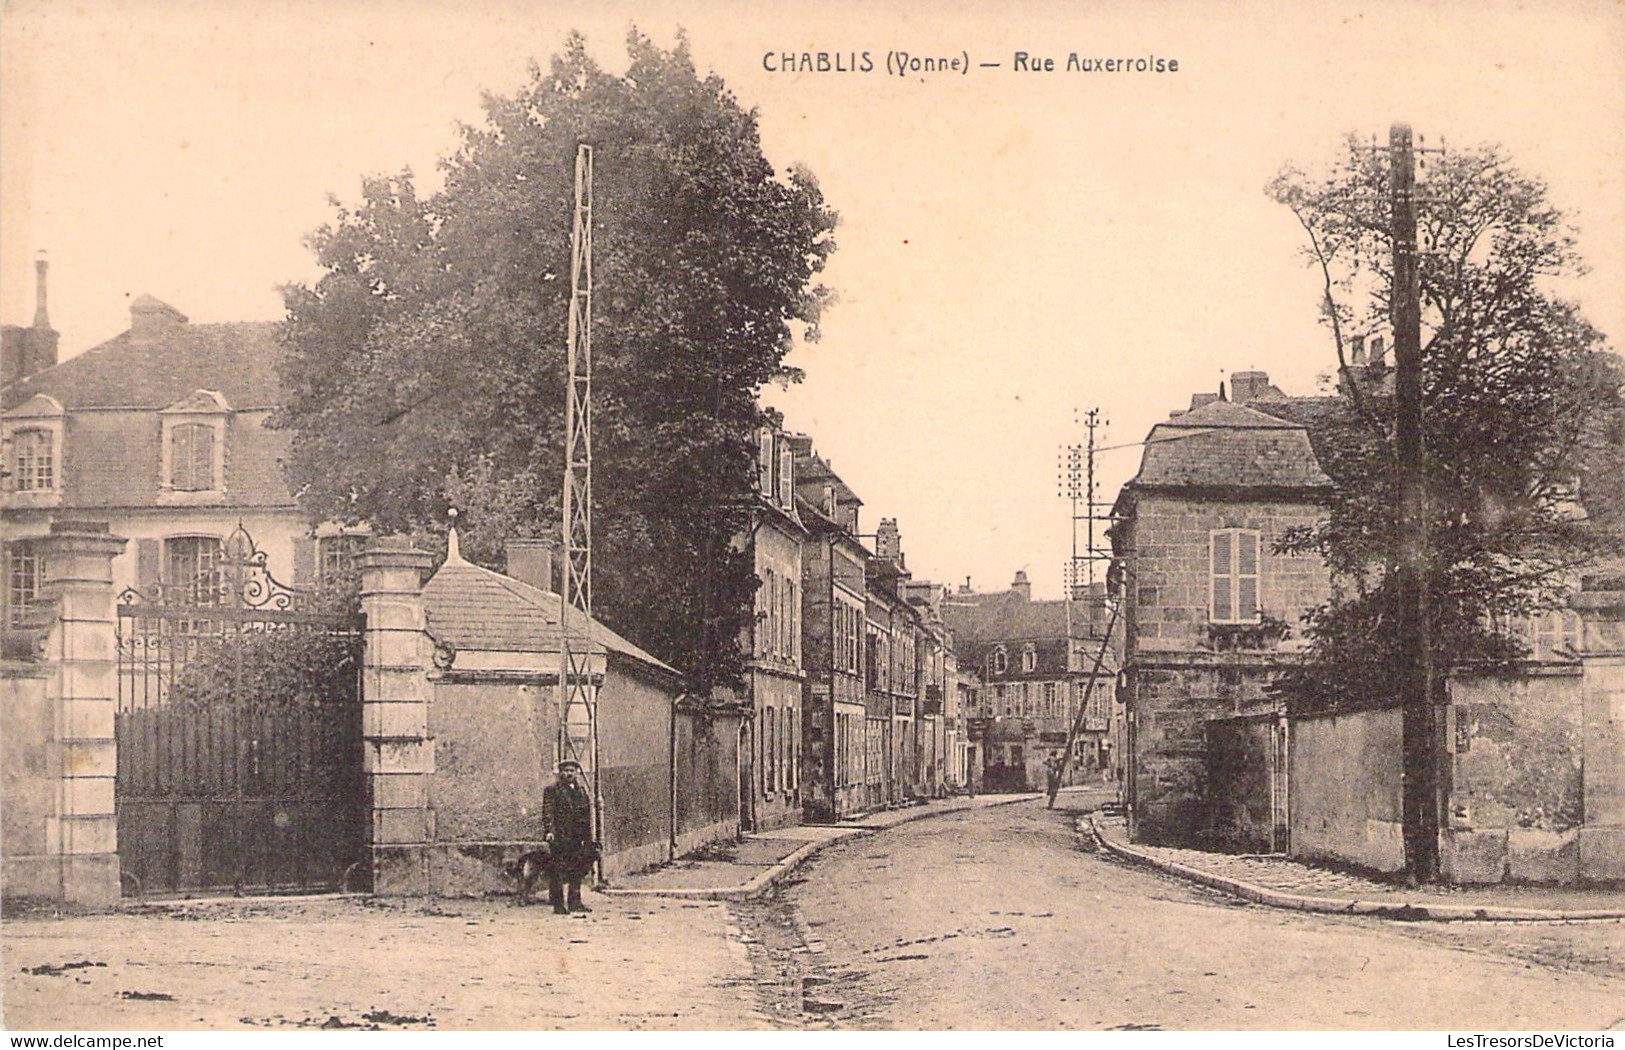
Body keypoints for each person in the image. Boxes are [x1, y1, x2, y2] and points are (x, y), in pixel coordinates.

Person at [542, 758, 597, 915]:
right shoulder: (552, 790)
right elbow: (548, 812)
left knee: (577, 870)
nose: (568, 774)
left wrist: (587, 837)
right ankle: (558, 905)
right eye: (565, 771)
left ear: (577, 773)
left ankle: (575, 902)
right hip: (560, 836)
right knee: (558, 870)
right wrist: (549, 831)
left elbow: (586, 815)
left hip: (577, 837)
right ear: (560, 773)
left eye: (572, 771)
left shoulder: (581, 791)